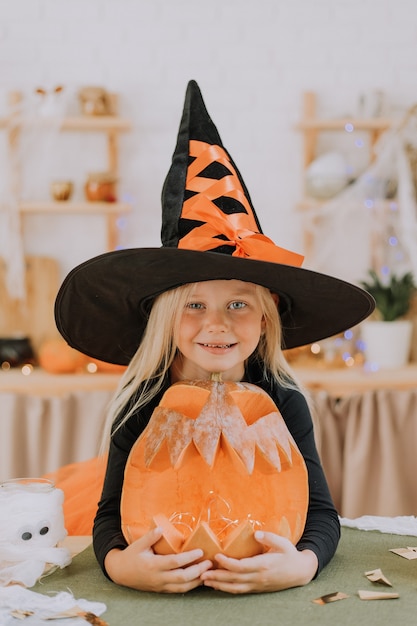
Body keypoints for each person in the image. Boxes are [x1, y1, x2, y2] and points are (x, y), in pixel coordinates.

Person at [54, 80, 374, 594]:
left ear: (265, 320)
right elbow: (111, 514)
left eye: (239, 304)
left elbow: (319, 512)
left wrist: (304, 564)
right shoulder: (142, 401)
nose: (217, 323)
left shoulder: (283, 402)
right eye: (194, 305)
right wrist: (119, 564)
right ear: (165, 320)